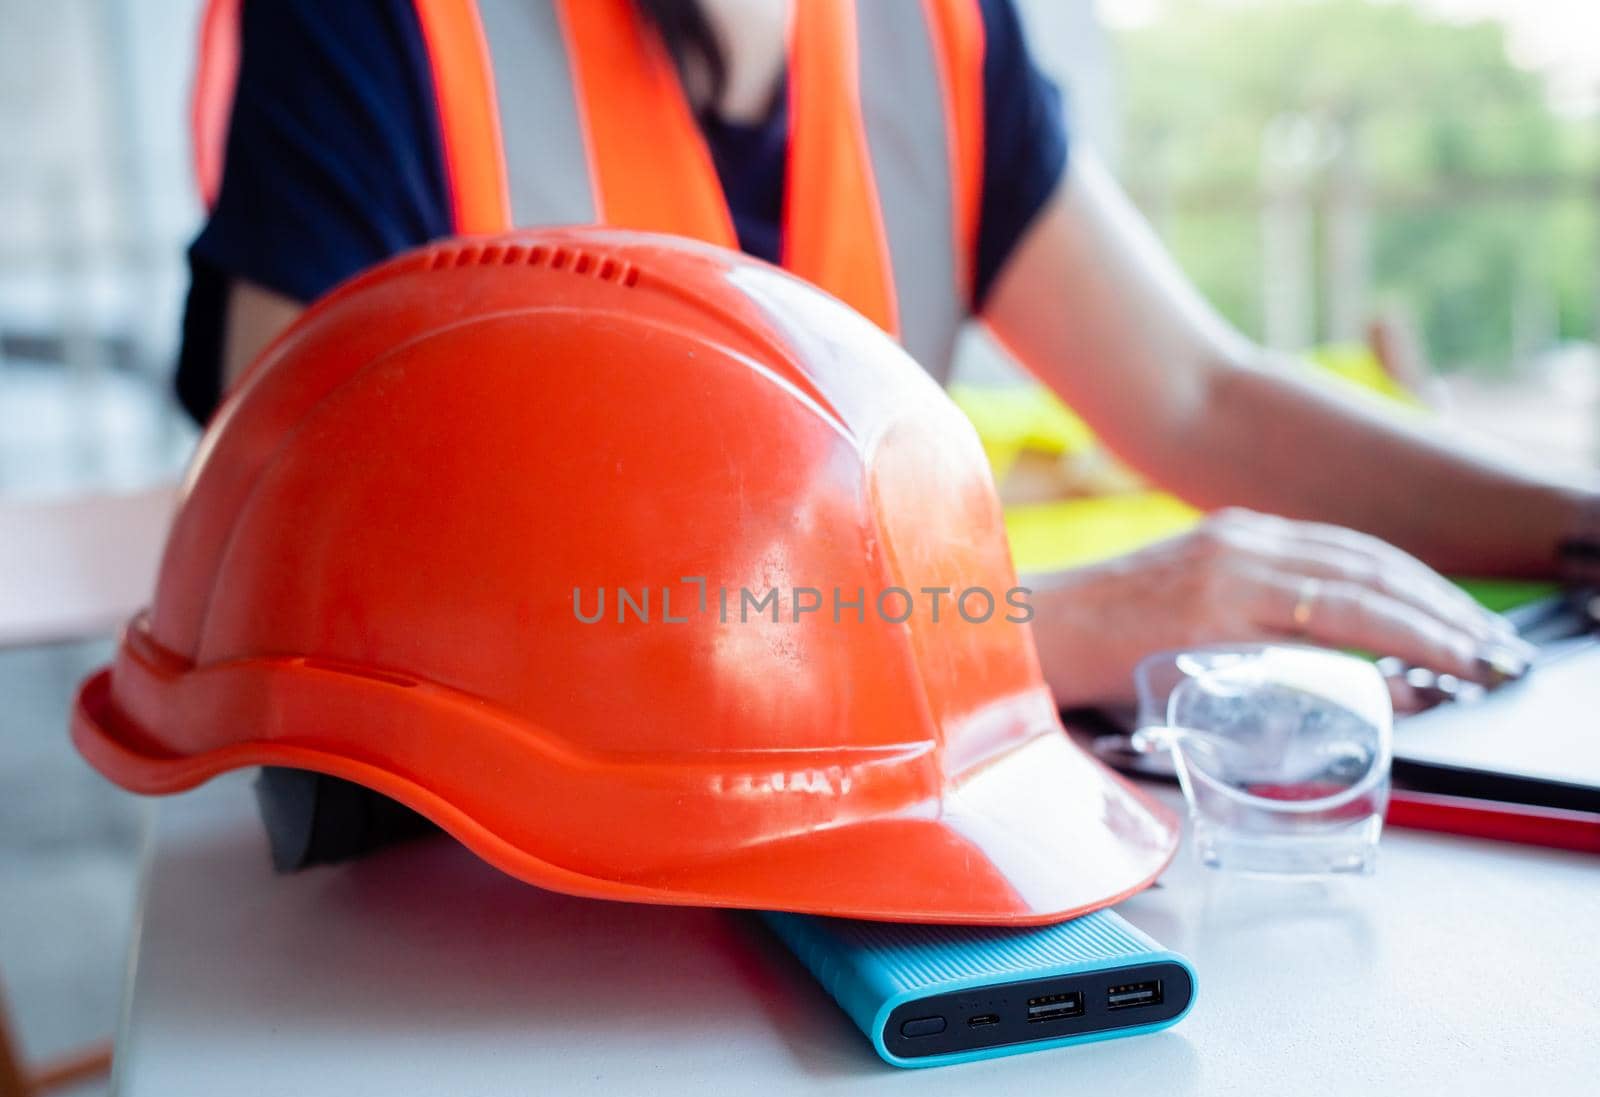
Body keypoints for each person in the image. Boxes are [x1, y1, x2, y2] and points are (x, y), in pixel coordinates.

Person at [179, 0, 1599, 709]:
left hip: (872, 799)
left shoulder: (935, 34)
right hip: (485, 888)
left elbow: (1200, 397)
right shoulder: (372, 29)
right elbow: (300, 581)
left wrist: (1576, 530)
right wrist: (1049, 625)